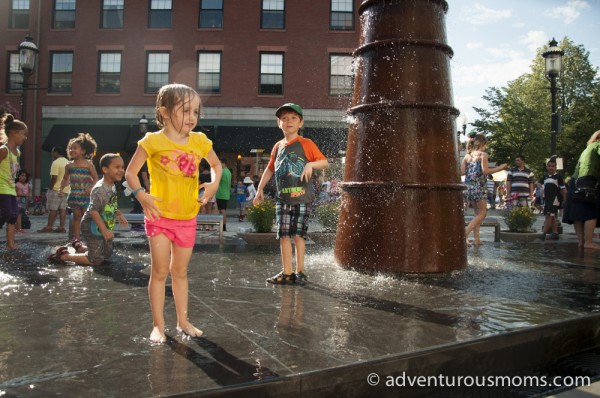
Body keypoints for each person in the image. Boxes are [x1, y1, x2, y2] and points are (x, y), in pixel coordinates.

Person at [125, 83, 222, 343]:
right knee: (159, 272)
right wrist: (141, 195)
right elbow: (130, 172)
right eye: (186, 111)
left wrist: (213, 183)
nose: (192, 118)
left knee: (179, 272)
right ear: (165, 112)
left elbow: (216, 165)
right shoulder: (152, 141)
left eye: (196, 112)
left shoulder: (200, 141)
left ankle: (183, 320)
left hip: (187, 217)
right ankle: (158, 324)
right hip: (159, 217)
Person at [254, 103, 329, 284]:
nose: (289, 121)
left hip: (302, 198)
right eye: (284, 118)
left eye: (293, 118)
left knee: (298, 235)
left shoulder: (306, 143)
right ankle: (287, 272)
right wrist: (260, 189)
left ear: (300, 123)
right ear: (278, 123)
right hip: (283, 198)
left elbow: (324, 162)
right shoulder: (277, 147)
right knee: (284, 235)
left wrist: (310, 164)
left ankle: (300, 271)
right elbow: (270, 169)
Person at [48, 154, 128, 265]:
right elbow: (93, 211)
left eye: (122, 167)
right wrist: (104, 229)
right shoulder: (99, 189)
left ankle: (80, 248)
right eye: (117, 167)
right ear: (105, 169)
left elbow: (109, 204)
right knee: (96, 260)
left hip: (102, 224)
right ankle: (64, 256)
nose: (121, 170)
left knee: (107, 253)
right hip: (92, 226)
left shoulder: (112, 186)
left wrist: (118, 213)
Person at [461, 133, 507, 247]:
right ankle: (464, 234)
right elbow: (485, 171)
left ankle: (476, 239)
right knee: (482, 213)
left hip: (469, 187)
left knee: (477, 214)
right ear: (483, 143)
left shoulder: (467, 156)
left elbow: (462, 172)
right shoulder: (483, 155)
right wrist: (501, 167)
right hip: (479, 186)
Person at [562, 130, 600, 249]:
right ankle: (589, 242)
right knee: (591, 211)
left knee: (577, 212)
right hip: (588, 178)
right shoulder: (598, 145)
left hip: (575, 181)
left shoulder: (587, 149)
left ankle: (581, 241)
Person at [59, 133, 99, 241]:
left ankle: (87, 236)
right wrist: (61, 189)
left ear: (83, 151)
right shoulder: (69, 165)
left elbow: (95, 178)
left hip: (86, 195)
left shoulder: (88, 164)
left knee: (86, 216)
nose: (72, 150)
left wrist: (91, 188)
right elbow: (65, 179)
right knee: (76, 216)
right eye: (70, 148)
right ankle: (76, 238)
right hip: (74, 195)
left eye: (75, 148)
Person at [0, 114, 28, 250]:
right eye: (23, 134)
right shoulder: (3, 150)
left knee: (14, 215)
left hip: (10, 187)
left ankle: (10, 244)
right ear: (13, 133)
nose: (25, 137)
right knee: (5, 213)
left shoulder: (17, 152)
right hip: (1, 187)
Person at [38, 146, 70, 233]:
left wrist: (50, 188)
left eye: (52, 152)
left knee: (53, 209)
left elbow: (54, 177)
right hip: (66, 190)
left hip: (56, 189)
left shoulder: (56, 163)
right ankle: (62, 227)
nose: (51, 154)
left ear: (56, 152)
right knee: (63, 209)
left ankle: (49, 227)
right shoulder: (67, 162)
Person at [537, 158, 567, 241]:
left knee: (548, 216)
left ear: (555, 167)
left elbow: (563, 189)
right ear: (547, 167)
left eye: (553, 166)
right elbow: (539, 183)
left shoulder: (558, 177)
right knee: (552, 217)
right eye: (549, 166)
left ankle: (544, 234)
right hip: (547, 200)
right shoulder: (545, 176)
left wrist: (565, 199)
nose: (551, 168)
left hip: (554, 200)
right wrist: (541, 186)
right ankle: (555, 233)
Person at [215, 158, 231, 231]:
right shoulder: (228, 172)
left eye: (220, 163)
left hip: (220, 193)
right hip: (226, 193)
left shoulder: (222, 172)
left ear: (223, 163)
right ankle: (223, 226)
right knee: (223, 210)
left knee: (221, 210)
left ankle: (222, 225)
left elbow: (217, 181)